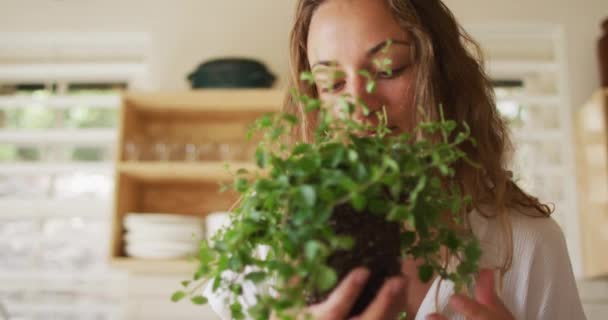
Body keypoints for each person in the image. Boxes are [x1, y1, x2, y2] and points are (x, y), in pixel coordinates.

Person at [207, 0, 587, 319]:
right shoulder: (270, 244)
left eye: (389, 69)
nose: (359, 106)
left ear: (444, 77)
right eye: (333, 84)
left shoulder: (525, 244)